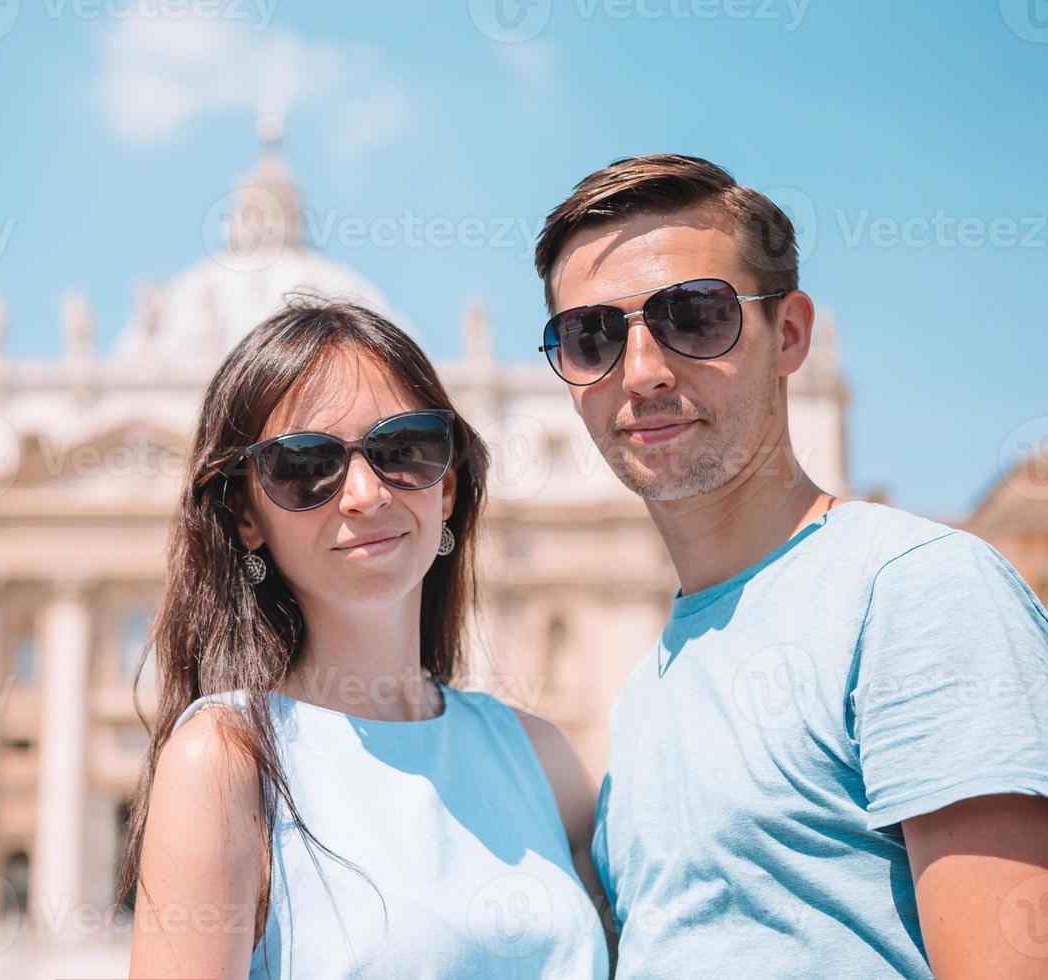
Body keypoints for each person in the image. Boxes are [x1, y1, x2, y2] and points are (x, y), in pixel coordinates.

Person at [532, 153, 1048, 978]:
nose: (642, 371)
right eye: (591, 335)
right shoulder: (648, 686)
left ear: (792, 335)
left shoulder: (917, 592)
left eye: (694, 317)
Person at [117, 298, 610, 978]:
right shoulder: (225, 761)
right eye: (304, 466)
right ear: (245, 514)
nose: (365, 494)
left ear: (446, 489)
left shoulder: (541, 754)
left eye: (403, 450)